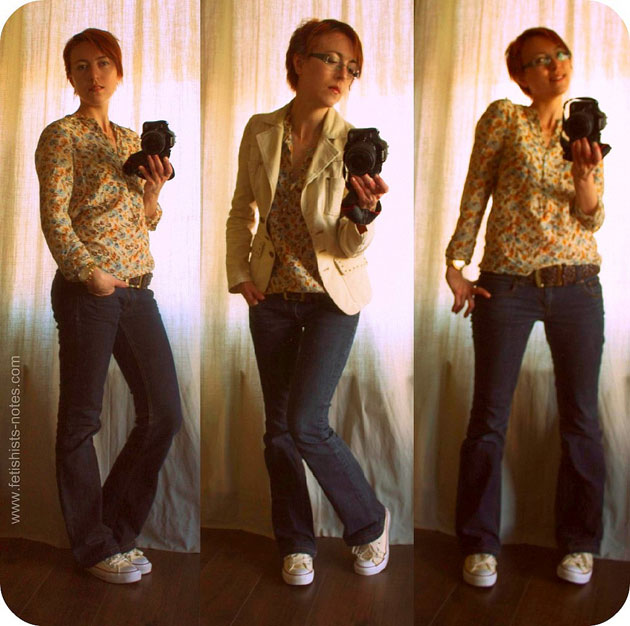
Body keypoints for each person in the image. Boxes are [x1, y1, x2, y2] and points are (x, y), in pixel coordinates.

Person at [226, 18, 390, 586]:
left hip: (330, 300)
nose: (343, 73)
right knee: (278, 427)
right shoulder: (260, 129)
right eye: (331, 59)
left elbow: (346, 243)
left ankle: (368, 522)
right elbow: (241, 210)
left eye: (352, 67)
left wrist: (362, 216)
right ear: (298, 60)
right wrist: (239, 273)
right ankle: (296, 542)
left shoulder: (355, 144)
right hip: (271, 296)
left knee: (306, 422)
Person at [445, 27, 606, 588]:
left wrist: (584, 175)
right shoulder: (503, 119)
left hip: (578, 286)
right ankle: (479, 545)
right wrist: (456, 263)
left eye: (561, 55)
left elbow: (591, 218)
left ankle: (580, 544)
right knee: (489, 418)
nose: (555, 66)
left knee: (581, 419)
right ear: (520, 75)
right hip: (507, 286)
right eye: (539, 61)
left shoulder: (586, 126)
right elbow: (476, 191)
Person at [35, 28, 182, 584]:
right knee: (81, 421)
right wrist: (90, 274)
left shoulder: (129, 139)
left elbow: (140, 221)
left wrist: (153, 194)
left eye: (103, 63)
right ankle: (93, 547)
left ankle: (116, 532)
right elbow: (55, 218)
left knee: (164, 413)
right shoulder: (61, 136)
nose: (93, 74)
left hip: (138, 290)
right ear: (69, 76)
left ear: (118, 72)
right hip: (89, 291)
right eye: (81, 65)